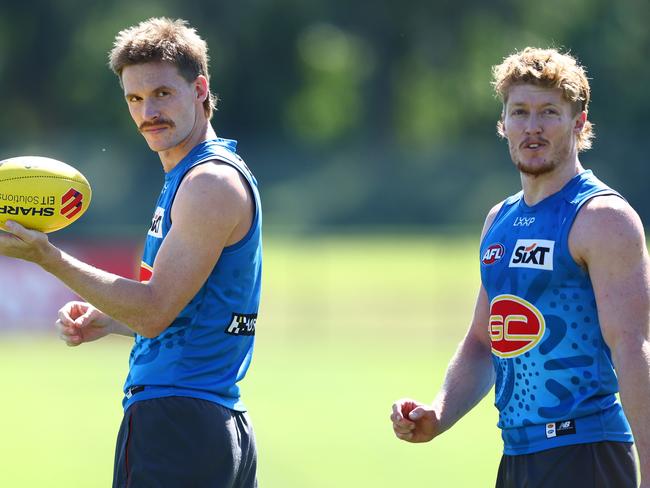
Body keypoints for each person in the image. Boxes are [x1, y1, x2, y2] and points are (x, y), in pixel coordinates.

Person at [0, 17, 261, 487]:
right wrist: (113, 318)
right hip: (208, 424)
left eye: (162, 93)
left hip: (177, 423)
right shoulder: (199, 176)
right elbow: (194, 308)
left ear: (200, 88)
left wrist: (47, 257)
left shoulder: (208, 184)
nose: (148, 112)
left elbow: (155, 311)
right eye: (135, 99)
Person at [390, 47, 650, 487]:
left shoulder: (601, 217)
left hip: (586, 454)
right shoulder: (499, 220)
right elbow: (481, 342)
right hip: (517, 458)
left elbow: (633, 348)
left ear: (579, 122)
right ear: (503, 124)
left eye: (549, 112)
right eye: (520, 112)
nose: (532, 127)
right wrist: (439, 411)